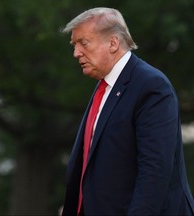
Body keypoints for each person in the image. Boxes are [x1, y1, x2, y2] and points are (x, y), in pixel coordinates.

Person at [61, 7, 194, 216]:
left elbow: (155, 172)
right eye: (74, 45)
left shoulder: (151, 86)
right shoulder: (104, 86)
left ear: (113, 43)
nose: (76, 52)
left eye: (83, 43)